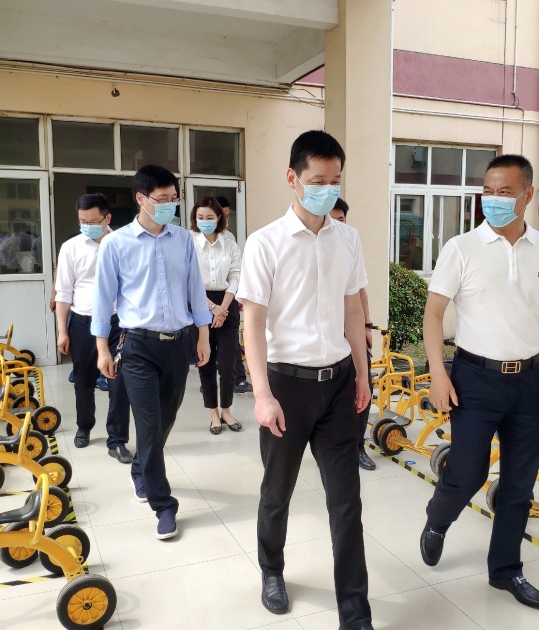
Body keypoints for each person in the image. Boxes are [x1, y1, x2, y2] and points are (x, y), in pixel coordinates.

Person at [419, 154, 539, 610]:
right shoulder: (461, 248)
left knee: (519, 482)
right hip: (474, 380)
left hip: (530, 381)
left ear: (527, 195)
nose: (492, 199)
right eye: (488, 191)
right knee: (467, 472)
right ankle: (438, 519)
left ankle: (505, 570)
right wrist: (438, 373)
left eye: (504, 192)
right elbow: (434, 314)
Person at [237, 130, 373, 630]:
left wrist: (363, 374)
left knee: (346, 502)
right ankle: (272, 570)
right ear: (292, 179)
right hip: (286, 388)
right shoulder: (265, 243)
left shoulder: (348, 239)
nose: (327, 190)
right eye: (318, 181)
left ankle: (355, 612)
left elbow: (353, 311)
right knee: (278, 492)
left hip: (338, 385)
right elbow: (252, 323)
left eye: (335, 181)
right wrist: (262, 395)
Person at [92, 164, 212, 540]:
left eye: (174, 198)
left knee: (165, 420)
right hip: (138, 346)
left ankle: (140, 469)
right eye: (162, 199)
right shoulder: (116, 244)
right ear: (141, 199)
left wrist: (203, 336)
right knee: (147, 423)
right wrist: (101, 349)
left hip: (178, 343)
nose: (170, 205)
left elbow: (195, 290)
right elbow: (102, 301)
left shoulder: (183, 240)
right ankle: (164, 505)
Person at [54, 194, 133, 462]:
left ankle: (117, 440)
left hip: (116, 323)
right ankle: (84, 426)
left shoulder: (123, 243)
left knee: (118, 382)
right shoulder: (71, 248)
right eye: (82, 222)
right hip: (83, 322)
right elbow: (63, 292)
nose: (87, 226)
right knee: (83, 380)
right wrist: (62, 331)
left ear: (107, 218)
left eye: (93, 221)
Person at [329, 198, 376, 472]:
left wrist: (367, 325)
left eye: (341, 219)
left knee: (363, 384)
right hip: (325, 336)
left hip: (353, 331)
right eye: (332, 218)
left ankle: (358, 446)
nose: (337, 224)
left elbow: (360, 292)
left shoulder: (350, 243)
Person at [189, 196, 243, 434]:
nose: (205, 221)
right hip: (201, 303)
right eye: (200, 217)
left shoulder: (229, 241)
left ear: (219, 217)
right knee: (206, 361)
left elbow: (236, 275)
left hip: (227, 302)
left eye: (209, 217)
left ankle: (227, 410)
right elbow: (189, 280)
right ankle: (213, 412)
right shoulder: (190, 242)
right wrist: (212, 307)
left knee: (229, 363)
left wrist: (223, 308)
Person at [215, 195, 253, 395]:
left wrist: (236, 296)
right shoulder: (194, 238)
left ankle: (237, 379)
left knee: (231, 341)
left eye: (228, 216)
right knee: (209, 341)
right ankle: (209, 382)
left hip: (228, 294)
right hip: (206, 298)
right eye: (222, 215)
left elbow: (236, 270)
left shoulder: (229, 237)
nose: (226, 220)